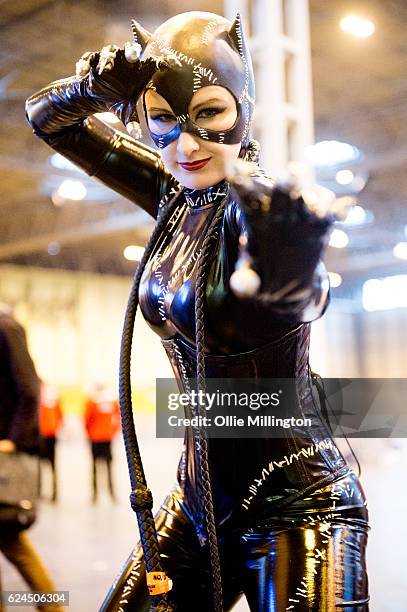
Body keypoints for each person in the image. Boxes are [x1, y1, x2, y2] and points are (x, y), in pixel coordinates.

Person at [25, 11, 369, 611]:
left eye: (210, 114)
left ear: (243, 107)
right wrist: (90, 90)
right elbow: (49, 122)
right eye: (162, 120)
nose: (185, 145)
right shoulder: (175, 194)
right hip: (198, 503)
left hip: (301, 508)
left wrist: (289, 276)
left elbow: (302, 296)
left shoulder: (249, 207)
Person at [0, 305, 64, 612]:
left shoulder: (6, 328)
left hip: (5, 454)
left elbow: (29, 389)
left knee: (14, 542)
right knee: (13, 544)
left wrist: (13, 440)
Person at [84, 385, 120, 503]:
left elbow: (87, 419)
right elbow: (118, 417)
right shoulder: (111, 401)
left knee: (94, 467)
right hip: (107, 437)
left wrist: (89, 434)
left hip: (95, 437)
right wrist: (112, 431)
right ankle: (112, 492)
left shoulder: (92, 402)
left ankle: (95, 494)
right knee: (109, 467)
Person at [39, 384, 63, 502]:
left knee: (41, 466)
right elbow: (60, 415)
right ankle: (53, 493)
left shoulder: (41, 396)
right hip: (49, 434)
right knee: (50, 466)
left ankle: (43, 492)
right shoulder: (52, 396)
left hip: (44, 435)